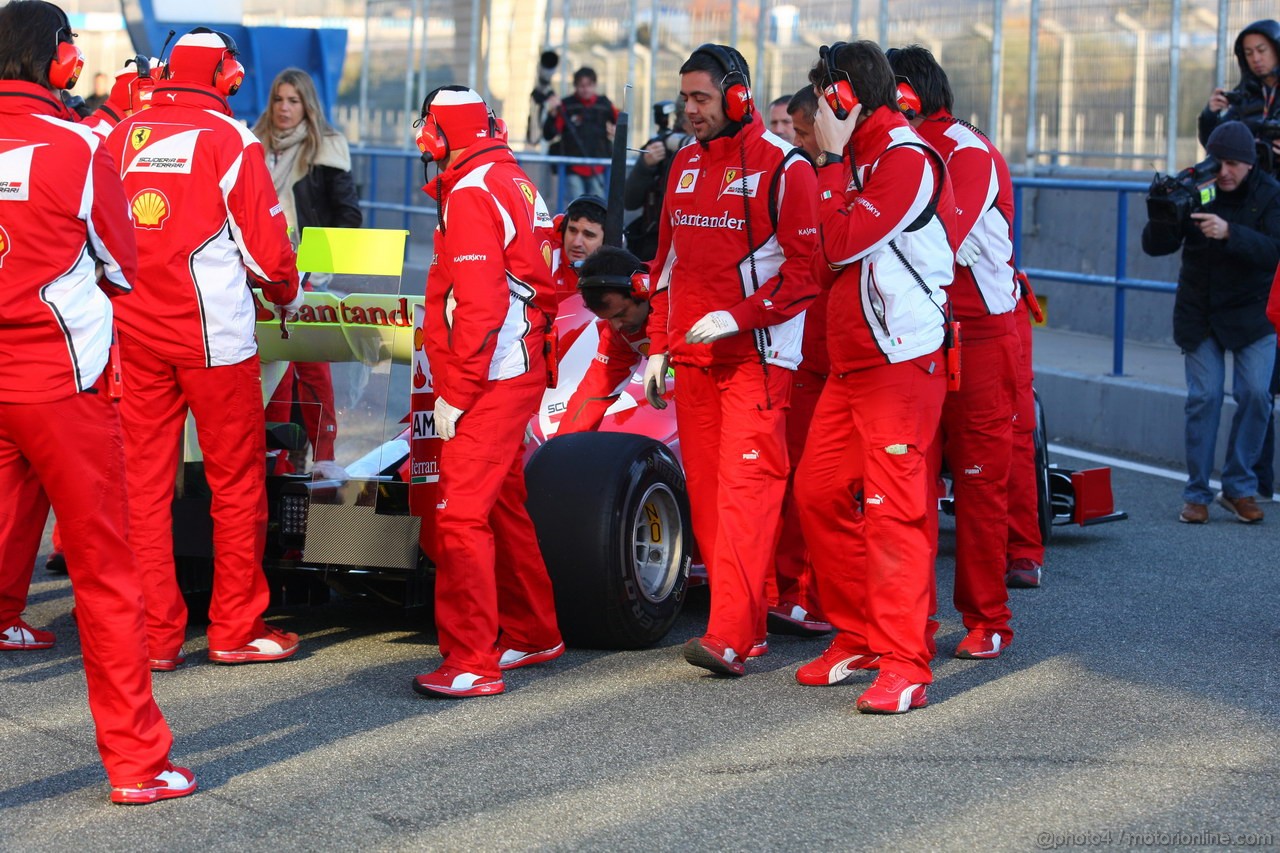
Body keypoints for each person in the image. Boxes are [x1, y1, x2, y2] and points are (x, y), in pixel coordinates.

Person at [0, 0, 196, 804]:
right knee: (106, 573)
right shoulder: (80, 147)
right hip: (60, 385)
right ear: (60, 59)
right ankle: (137, 763)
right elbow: (124, 263)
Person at [104, 27, 304, 670]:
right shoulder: (231, 141)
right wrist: (285, 290)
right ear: (228, 75)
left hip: (132, 333)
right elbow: (271, 257)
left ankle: (155, 635)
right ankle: (234, 628)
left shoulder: (121, 134)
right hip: (214, 341)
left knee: (141, 486)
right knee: (236, 484)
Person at [644, 44, 819, 676]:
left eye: (701, 98)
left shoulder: (786, 167)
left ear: (738, 95)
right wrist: (659, 348)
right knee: (713, 502)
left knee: (745, 497)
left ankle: (730, 635)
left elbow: (804, 277)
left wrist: (738, 318)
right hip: (691, 363)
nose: (689, 111)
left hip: (759, 362)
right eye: (683, 98)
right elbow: (664, 266)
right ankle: (749, 616)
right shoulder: (683, 164)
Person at [794, 40, 956, 714]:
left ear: (846, 96)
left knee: (896, 515)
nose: (815, 111)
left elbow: (834, 244)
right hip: (854, 364)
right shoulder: (861, 159)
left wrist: (827, 165)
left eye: (824, 96)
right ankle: (860, 631)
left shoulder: (903, 158)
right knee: (817, 492)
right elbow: (820, 254)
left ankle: (905, 659)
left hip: (900, 363)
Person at [411, 86, 564, 698]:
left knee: (460, 515)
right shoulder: (510, 178)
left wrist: (457, 391)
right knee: (501, 503)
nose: (421, 138)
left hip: (494, 374)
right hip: (513, 365)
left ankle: (473, 659)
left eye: (426, 127)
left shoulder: (473, 191)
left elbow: (480, 305)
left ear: (441, 133)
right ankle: (532, 631)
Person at [887, 45, 1021, 656]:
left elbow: (936, 238)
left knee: (977, 483)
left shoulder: (965, 150)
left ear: (907, 97)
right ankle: (908, 622)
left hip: (979, 337)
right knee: (903, 482)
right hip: (914, 334)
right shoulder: (890, 152)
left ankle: (988, 620)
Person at [1143, 121, 1280, 525]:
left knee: (1256, 393)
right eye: (1219, 161)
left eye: (1234, 164)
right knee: (1205, 396)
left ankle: (1238, 488)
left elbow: (1274, 252)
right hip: (1200, 311)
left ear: (1250, 165)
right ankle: (1197, 493)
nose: (1225, 171)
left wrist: (1229, 232)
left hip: (1253, 313)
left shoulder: (1270, 194)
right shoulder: (1199, 185)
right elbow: (1154, 246)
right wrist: (1163, 210)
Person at [253, 67, 362, 480]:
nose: (284, 108)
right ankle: (274, 460)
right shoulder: (251, 143)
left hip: (308, 274)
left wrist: (315, 263)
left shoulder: (326, 148)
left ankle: (326, 458)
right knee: (271, 369)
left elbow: (349, 215)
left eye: (293, 100)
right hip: (259, 272)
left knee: (313, 366)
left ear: (307, 105)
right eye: (279, 99)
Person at [763, 85, 832, 637]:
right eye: (790, 126)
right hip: (795, 349)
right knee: (785, 476)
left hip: (845, 354)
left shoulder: (856, 178)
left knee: (816, 480)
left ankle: (812, 593)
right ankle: (784, 588)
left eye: (802, 127)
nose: (795, 136)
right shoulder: (784, 176)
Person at [559, 246, 654, 434]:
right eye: (609, 318)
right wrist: (562, 447)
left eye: (621, 314)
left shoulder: (683, 298)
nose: (617, 325)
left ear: (642, 287)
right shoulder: (618, 333)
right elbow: (592, 395)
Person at [1200, 20, 1280, 173]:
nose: (1255, 59)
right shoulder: (1245, 96)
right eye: (1248, 53)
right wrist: (1210, 115)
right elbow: (1214, 147)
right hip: (1250, 185)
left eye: (1261, 50)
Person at [624, 100, 692, 261]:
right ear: (682, 118)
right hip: (655, 244)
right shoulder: (663, 146)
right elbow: (629, 201)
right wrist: (645, 166)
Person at [542, 66, 617, 198]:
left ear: (595, 85)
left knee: (597, 204)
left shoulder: (604, 104)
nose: (585, 89)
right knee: (577, 203)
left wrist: (616, 130)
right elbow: (550, 134)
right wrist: (553, 114)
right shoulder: (566, 105)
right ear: (575, 86)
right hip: (573, 166)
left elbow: (620, 121)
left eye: (589, 85)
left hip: (598, 166)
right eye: (581, 85)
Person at [552, 194, 607, 297]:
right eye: (572, 231)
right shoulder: (544, 261)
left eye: (588, 235)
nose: (577, 243)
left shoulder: (619, 275)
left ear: (607, 241)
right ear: (563, 230)